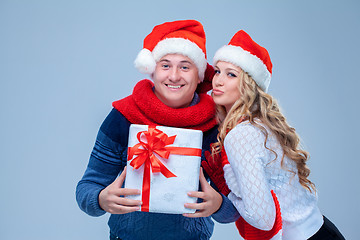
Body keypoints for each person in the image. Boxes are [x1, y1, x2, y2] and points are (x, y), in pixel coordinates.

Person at [76, 20, 239, 240]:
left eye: (184, 66)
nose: (173, 76)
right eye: (165, 65)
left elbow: (238, 209)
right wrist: (101, 199)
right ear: (152, 71)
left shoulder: (216, 126)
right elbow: (87, 188)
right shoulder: (122, 117)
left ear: (199, 75)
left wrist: (219, 205)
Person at [208, 30, 345, 239]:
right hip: (322, 230)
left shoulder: (241, 135)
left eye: (231, 74)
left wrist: (226, 192)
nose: (218, 81)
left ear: (249, 85)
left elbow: (264, 219)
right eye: (217, 71)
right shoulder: (259, 123)